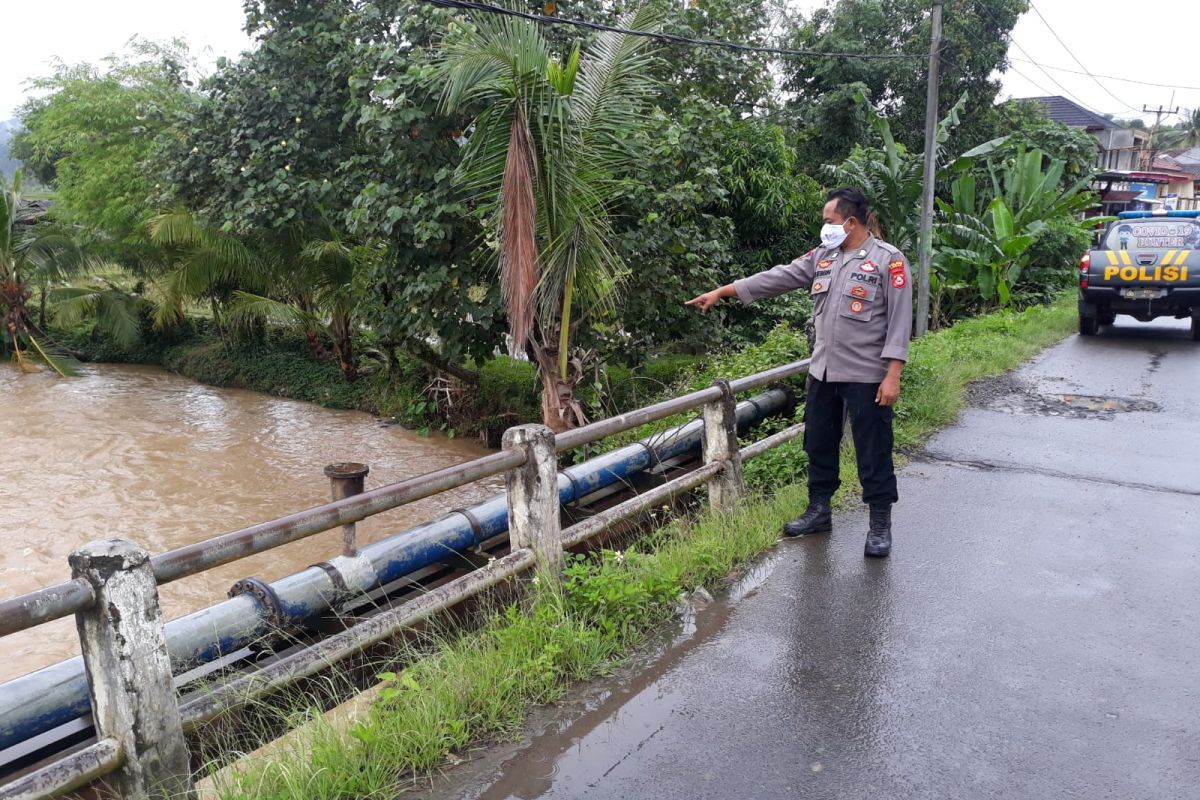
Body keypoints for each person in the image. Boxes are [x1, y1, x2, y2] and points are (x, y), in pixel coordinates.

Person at [686, 187, 912, 558]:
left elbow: (900, 322)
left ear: (850, 222)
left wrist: (893, 375)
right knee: (818, 443)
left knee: (873, 449)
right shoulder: (823, 257)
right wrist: (724, 291)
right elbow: (778, 277)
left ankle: (879, 524)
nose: (825, 228)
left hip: (867, 374)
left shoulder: (889, 261)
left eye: (829, 221)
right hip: (823, 372)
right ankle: (819, 510)